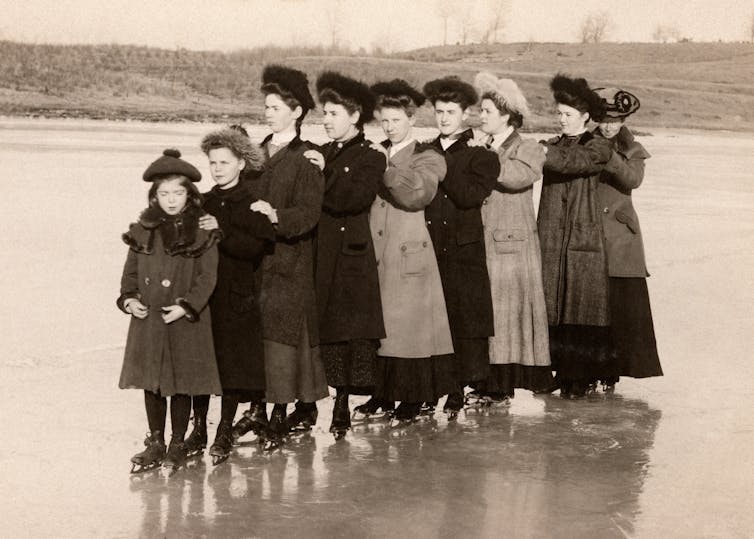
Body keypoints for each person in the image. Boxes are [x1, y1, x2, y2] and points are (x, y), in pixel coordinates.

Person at [117, 149, 222, 472]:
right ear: (154, 195)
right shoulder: (142, 229)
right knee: (153, 381)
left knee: (182, 382)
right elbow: (130, 273)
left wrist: (186, 306)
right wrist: (129, 299)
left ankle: (178, 441)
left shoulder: (203, 231)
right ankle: (156, 440)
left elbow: (208, 277)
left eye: (178, 193)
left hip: (185, 320)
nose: (171, 200)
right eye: (164, 194)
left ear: (189, 195)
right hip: (149, 320)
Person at [182, 126, 274, 465]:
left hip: (237, 295)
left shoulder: (251, 204)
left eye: (224, 162)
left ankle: (223, 429)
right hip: (205, 297)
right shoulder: (203, 202)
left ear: (240, 164)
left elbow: (254, 248)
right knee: (202, 364)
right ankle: (199, 429)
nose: (218, 168)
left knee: (232, 368)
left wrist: (220, 232)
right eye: (213, 162)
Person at [247, 64, 328, 447]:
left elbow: (309, 214)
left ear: (296, 112)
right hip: (255, 262)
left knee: (283, 340)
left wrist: (276, 215)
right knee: (256, 337)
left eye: (276, 106)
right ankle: (256, 411)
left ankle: (280, 413)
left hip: (289, 262)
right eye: (266, 106)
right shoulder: (255, 152)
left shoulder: (307, 157)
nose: (268, 111)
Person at [365, 79, 454, 423]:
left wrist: (385, 169)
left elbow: (416, 194)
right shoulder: (376, 151)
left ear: (411, 121)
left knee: (411, 332)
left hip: (409, 254)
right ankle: (383, 393)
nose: (389, 127)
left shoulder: (428, 156)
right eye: (384, 121)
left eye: (396, 121)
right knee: (383, 329)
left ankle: (414, 398)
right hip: (378, 251)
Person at [303, 71, 386, 439]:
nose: (326, 120)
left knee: (349, 334)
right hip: (320, 250)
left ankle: (342, 403)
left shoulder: (371, 156)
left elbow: (352, 199)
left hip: (351, 257)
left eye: (334, 113)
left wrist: (324, 175)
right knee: (326, 332)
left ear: (354, 117)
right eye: (325, 113)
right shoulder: (321, 152)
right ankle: (313, 403)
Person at [469, 72, 554, 402]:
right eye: (481, 111)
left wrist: (481, 157)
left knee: (507, 317)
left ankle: (501, 386)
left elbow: (517, 177)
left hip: (512, 247)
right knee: (490, 314)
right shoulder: (483, 145)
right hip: (487, 243)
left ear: (506, 116)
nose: (481, 116)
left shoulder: (528, 147)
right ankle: (488, 381)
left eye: (487, 111)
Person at [421, 76, 499, 417]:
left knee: (460, 323)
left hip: (462, 252)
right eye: (439, 111)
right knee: (430, 322)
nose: (443, 118)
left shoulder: (481, 155)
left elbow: (470, 196)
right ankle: (428, 388)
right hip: (428, 247)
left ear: (465, 114)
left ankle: (455, 390)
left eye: (450, 112)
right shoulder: (425, 149)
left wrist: (440, 166)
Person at [538, 74, 613, 399]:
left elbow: (574, 163)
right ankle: (559, 371)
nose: (562, 119)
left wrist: (543, 154)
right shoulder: (553, 145)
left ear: (584, 116)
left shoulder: (598, 146)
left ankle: (579, 375)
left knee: (580, 307)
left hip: (584, 239)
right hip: (553, 237)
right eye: (559, 114)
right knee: (554, 305)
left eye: (567, 114)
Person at [592, 87, 663, 389]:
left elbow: (633, 179)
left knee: (621, 309)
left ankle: (613, 372)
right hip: (591, 234)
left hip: (622, 240)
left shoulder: (633, 149)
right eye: (604, 119)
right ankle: (586, 370)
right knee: (591, 306)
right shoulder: (585, 144)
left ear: (624, 120)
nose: (609, 126)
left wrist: (610, 156)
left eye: (615, 120)